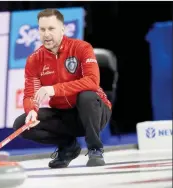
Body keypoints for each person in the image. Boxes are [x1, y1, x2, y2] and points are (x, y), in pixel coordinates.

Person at [13, 8, 112, 168]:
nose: (46, 34)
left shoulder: (81, 48)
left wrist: (54, 89)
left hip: (95, 112)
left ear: (62, 29)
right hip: (65, 115)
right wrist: (32, 109)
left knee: (86, 95)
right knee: (21, 124)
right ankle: (68, 147)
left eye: (51, 29)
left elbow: (92, 81)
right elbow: (30, 93)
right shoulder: (34, 59)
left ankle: (95, 149)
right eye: (42, 29)